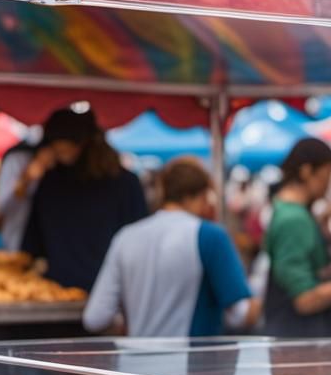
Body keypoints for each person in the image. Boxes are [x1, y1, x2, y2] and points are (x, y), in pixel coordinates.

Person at [83, 158, 258, 339]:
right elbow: (240, 314)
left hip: (132, 360)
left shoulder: (126, 237)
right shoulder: (210, 236)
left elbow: (95, 318)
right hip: (195, 362)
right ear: (202, 195)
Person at [22, 108, 147, 292]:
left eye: (64, 149)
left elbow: (33, 243)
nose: (60, 154)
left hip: (81, 288)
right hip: (75, 290)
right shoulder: (51, 181)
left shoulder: (51, 182)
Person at [263, 138, 331, 338]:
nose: (328, 185)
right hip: (300, 345)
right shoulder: (293, 219)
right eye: (326, 176)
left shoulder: (297, 214)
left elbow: (307, 270)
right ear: (306, 171)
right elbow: (305, 299)